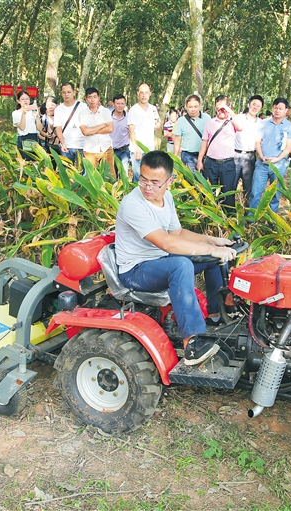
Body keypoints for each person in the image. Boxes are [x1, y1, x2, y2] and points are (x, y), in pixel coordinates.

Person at [115, 150, 237, 365]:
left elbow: (177, 234)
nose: (147, 187)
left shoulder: (167, 198)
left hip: (160, 260)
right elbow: (166, 242)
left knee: (210, 260)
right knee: (181, 265)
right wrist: (209, 248)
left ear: (169, 181)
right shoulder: (133, 204)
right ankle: (192, 344)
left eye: (155, 182)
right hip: (135, 270)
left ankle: (217, 316)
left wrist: (212, 241)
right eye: (143, 180)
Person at [197, 95, 243, 211]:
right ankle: (209, 218)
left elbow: (240, 127)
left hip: (227, 164)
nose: (221, 110)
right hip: (211, 163)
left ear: (229, 107)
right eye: (219, 107)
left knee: (227, 194)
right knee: (209, 192)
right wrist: (199, 161)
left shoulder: (233, 122)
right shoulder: (210, 123)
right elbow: (204, 143)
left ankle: (228, 221)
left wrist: (229, 111)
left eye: (224, 107)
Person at [250, 98, 291, 213]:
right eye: (275, 107)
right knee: (256, 192)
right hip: (262, 163)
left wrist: (277, 159)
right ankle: (251, 220)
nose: (277, 110)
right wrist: (261, 155)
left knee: (275, 195)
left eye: (280, 108)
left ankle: (271, 222)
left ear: (286, 110)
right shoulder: (263, 123)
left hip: (279, 165)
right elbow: (257, 142)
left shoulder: (290, 127)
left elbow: (288, 147)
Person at [128, 82, 162, 180]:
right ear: (138, 93)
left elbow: (158, 126)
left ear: (150, 93)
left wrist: (157, 120)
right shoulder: (134, 110)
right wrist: (136, 149)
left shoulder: (153, 108)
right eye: (142, 92)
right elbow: (131, 131)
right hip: (137, 150)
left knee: (149, 176)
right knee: (138, 177)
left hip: (150, 149)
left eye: (146, 92)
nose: (144, 95)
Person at [233, 95, 264, 205]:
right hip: (235, 155)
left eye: (258, 106)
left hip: (250, 157)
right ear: (248, 104)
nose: (255, 107)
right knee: (231, 185)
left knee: (248, 187)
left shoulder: (261, 123)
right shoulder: (239, 118)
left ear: (261, 109)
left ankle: (247, 212)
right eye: (253, 104)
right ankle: (229, 213)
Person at [79, 87, 115, 177]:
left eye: (95, 97)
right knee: (91, 177)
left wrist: (91, 130)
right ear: (86, 99)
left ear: (98, 98)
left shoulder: (105, 112)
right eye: (90, 97)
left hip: (106, 148)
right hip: (90, 150)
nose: (92, 100)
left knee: (110, 176)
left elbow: (110, 129)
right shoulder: (82, 114)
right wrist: (102, 125)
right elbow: (85, 132)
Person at [173, 94, 211, 171]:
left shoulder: (207, 118)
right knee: (190, 180)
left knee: (204, 181)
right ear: (186, 107)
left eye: (195, 106)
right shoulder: (181, 121)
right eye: (190, 107)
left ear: (200, 106)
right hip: (188, 155)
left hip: (205, 155)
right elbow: (177, 139)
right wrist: (175, 157)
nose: (193, 109)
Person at [54, 82, 84, 165]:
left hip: (82, 145)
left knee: (82, 174)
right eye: (64, 92)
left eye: (69, 92)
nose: (66, 94)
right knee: (66, 172)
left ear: (74, 92)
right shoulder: (58, 109)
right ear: (61, 94)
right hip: (66, 146)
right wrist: (63, 143)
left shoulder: (83, 107)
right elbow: (58, 128)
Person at [12, 90, 39, 161]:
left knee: (35, 162)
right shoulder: (15, 113)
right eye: (23, 99)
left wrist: (37, 115)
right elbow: (22, 127)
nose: (25, 101)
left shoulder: (33, 112)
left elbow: (39, 128)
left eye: (27, 99)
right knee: (24, 162)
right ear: (18, 101)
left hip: (34, 138)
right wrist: (23, 114)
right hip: (23, 139)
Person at [110, 94, 131, 177]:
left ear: (125, 104)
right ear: (113, 104)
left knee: (124, 175)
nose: (120, 106)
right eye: (118, 103)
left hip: (124, 150)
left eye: (122, 103)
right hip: (111, 151)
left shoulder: (129, 117)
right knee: (112, 175)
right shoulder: (108, 116)